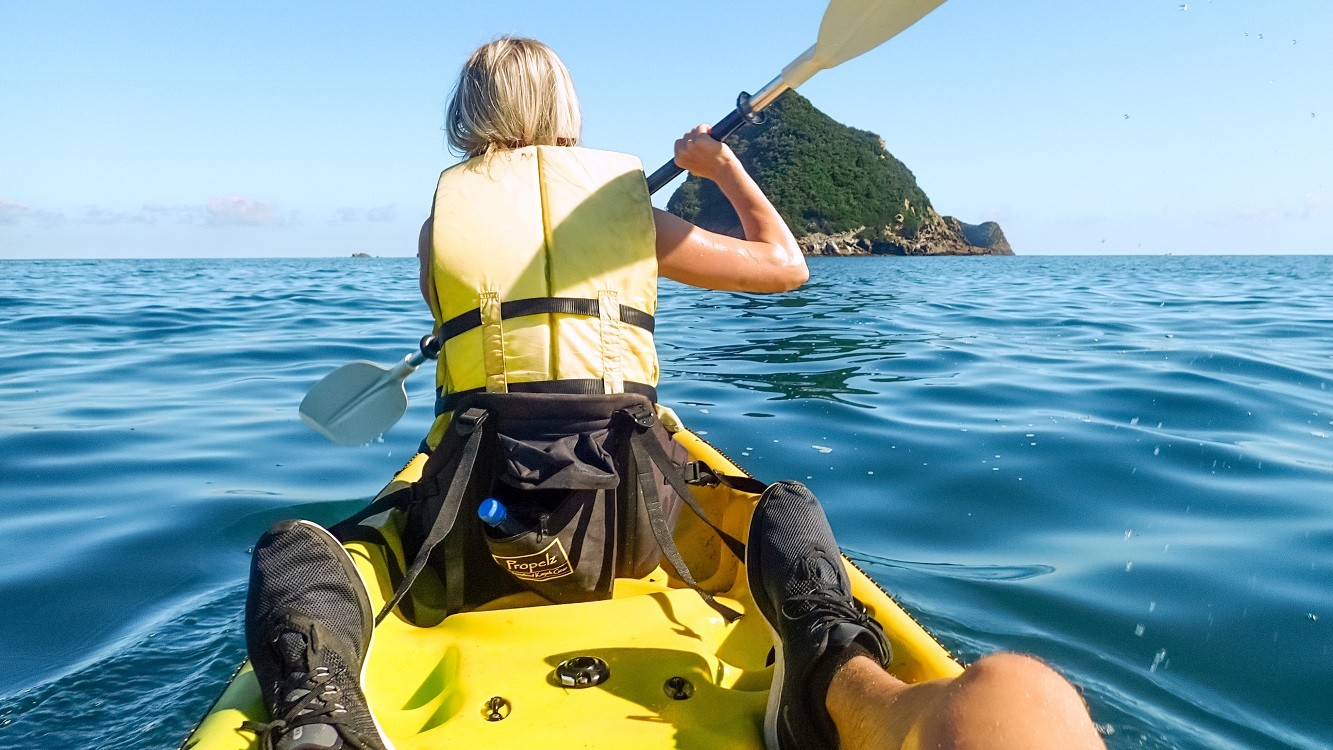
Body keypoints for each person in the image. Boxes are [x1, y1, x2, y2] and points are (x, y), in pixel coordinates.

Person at [244, 37, 1105, 750]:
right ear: (565, 112)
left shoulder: (442, 229)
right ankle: (829, 669)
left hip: (478, 516)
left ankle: (319, 711)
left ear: (467, 118)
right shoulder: (632, 220)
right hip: (631, 523)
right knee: (783, 508)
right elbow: (786, 268)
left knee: (298, 549)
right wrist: (720, 168)